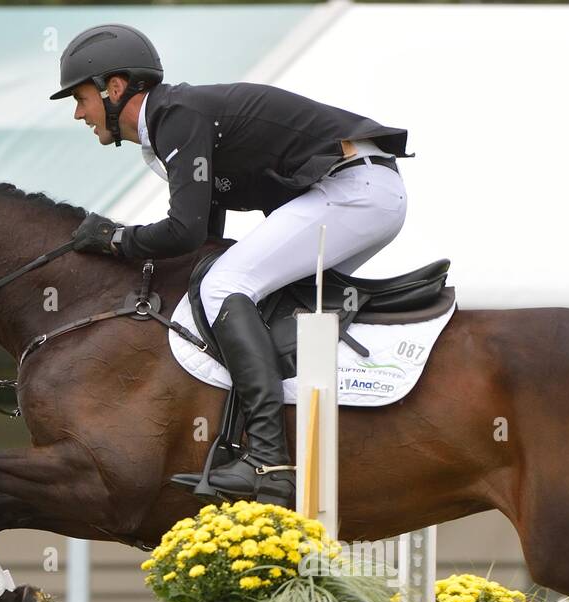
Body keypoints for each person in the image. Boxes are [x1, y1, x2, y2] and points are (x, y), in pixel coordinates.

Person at [55, 23, 410, 505]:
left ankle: (269, 458)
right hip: (361, 190)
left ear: (114, 88)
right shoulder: (172, 120)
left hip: (353, 191)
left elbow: (184, 232)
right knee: (237, 286)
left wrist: (114, 240)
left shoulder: (175, 117)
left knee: (224, 287)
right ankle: (271, 439)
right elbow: (206, 235)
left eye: (80, 98)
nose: (78, 113)